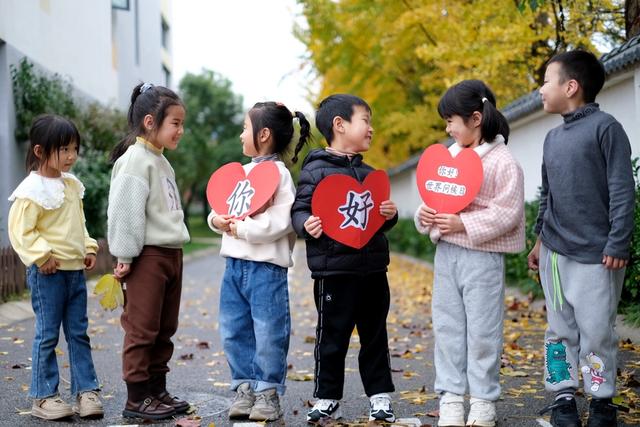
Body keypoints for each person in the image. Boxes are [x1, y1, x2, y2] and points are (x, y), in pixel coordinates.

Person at [528, 50, 635, 427]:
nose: (540, 89)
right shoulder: (552, 138)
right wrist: (540, 239)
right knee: (559, 330)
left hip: (596, 255)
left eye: (546, 80)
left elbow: (622, 189)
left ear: (570, 87)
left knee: (596, 332)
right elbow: (548, 195)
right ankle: (562, 397)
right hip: (556, 253)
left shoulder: (606, 128)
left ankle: (602, 400)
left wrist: (618, 241)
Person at [415, 80, 525, 427]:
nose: (448, 128)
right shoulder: (447, 158)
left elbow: (508, 213)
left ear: (475, 118)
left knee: (483, 330)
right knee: (447, 328)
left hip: (482, 258)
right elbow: (432, 199)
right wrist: (426, 216)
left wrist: (462, 224)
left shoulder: (503, 161)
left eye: (451, 121)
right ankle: (450, 397)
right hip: (447, 256)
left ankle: (482, 400)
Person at [291, 94, 399, 424]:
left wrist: (389, 215)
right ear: (340, 125)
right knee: (331, 338)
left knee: (375, 335)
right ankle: (327, 397)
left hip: (372, 270)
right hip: (333, 272)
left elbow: (379, 219)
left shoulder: (371, 173)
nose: (371, 128)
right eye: (365, 120)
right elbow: (300, 211)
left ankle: (380, 396)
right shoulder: (315, 170)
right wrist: (305, 225)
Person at [207, 101, 311, 422]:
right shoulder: (242, 173)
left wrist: (244, 228)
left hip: (266, 268)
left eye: (245, 128)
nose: (241, 136)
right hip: (234, 266)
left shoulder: (279, 176)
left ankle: (267, 391)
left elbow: (281, 220)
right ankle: (244, 386)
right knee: (234, 328)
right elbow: (221, 206)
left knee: (268, 331)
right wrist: (218, 221)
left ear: (263, 134)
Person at [8, 114, 104, 421]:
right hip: (47, 274)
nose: (72, 155)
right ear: (40, 151)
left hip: (75, 272)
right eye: (64, 149)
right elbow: (21, 231)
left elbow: (78, 224)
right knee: (47, 334)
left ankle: (85, 392)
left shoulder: (72, 185)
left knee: (79, 333)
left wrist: (88, 247)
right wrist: (41, 256)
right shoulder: (31, 190)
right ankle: (43, 396)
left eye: (74, 148)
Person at [107, 82, 190, 420]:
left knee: (164, 327)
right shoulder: (135, 161)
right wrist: (124, 255)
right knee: (142, 329)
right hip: (148, 257)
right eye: (175, 123)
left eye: (182, 124)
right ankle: (137, 398)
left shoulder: (161, 162)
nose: (180, 131)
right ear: (150, 122)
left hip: (171, 254)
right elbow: (125, 212)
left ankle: (157, 390)